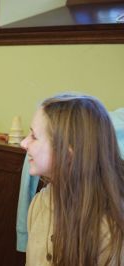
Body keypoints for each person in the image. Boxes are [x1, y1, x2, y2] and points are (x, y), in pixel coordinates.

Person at [20, 93, 124, 265]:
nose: (24, 143)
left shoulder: (110, 230)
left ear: (68, 154)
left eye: (34, 136)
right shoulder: (39, 205)